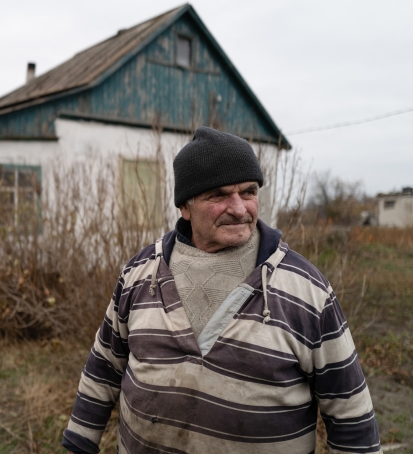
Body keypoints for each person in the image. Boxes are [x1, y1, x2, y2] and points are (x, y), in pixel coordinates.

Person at [62, 127, 381, 454]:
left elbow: (349, 413)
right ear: (185, 206)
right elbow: (104, 366)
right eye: (218, 195)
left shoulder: (306, 289)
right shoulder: (139, 274)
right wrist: (79, 443)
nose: (240, 209)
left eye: (249, 191)